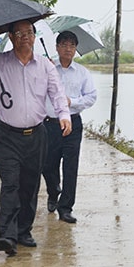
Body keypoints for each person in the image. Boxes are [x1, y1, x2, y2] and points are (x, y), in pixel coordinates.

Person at [0, 20, 71, 256]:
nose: (25, 36)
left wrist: (64, 115)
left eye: (29, 32)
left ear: (35, 36)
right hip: (6, 136)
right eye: (19, 33)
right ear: (11, 37)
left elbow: (57, 93)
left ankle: (24, 231)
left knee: (30, 186)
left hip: (36, 135)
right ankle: (7, 235)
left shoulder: (45, 65)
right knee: (11, 183)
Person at [42, 31, 97, 224]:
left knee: (70, 166)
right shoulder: (47, 68)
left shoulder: (82, 72)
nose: (68, 48)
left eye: (72, 45)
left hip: (73, 123)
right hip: (49, 124)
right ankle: (52, 191)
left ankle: (65, 208)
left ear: (76, 49)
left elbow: (91, 96)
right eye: (64, 44)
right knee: (48, 164)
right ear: (56, 47)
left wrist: (71, 101)